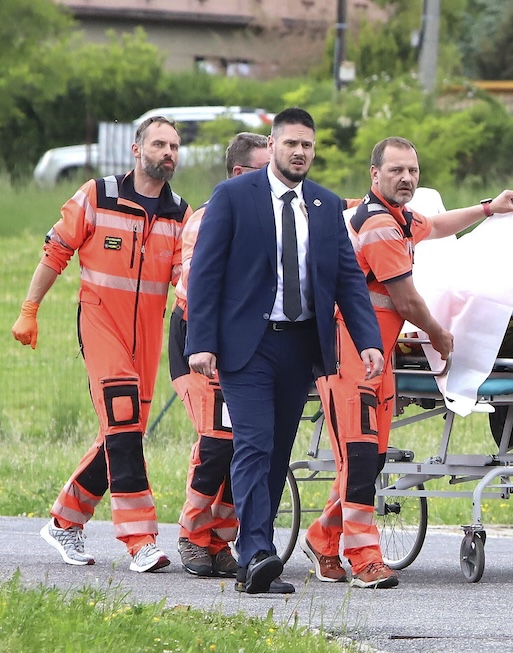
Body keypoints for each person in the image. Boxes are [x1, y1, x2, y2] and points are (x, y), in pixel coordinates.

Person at [299, 136, 513, 589]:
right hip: (349, 353)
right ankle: (363, 557)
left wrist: (487, 209)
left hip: (374, 355)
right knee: (361, 456)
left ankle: (323, 537)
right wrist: (441, 336)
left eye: (413, 171)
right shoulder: (380, 224)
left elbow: (437, 225)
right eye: (397, 170)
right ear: (375, 175)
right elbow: (405, 299)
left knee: (371, 457)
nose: (406, 178)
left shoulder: (400, 218)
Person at [184, 107, 385, 595]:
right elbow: (206, 273)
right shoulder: (233, 197)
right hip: (244, 348)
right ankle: (254, 554)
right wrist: (201, 343)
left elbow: (348, 281)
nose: (300, 152)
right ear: (272, 146)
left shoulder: (324, 204)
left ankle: (258, 553)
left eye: (307, 145)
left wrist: (370, 342)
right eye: (291, 143)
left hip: (299, 346)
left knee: (276, 453)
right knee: (252, 443)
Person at [12, 116, 191, 573]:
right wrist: (29, 309)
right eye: (159, 143)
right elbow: (56, 251)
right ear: (136, 149)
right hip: (100, 324)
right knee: (125, 424)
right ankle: (140, 541)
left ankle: (64, 521)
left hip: (146, 338)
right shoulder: (98, 194)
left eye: (174, 145)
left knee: (120, 433)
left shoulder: (179, 214)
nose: (168, 152)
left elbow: (187, 281)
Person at [169, 132, 270, 577]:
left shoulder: (278, 216)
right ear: (239, 174)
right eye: (268, 169)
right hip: (199, 337)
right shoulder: (209, 218)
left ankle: (218, 538)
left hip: (244, 343)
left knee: (242, 445)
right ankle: (192, 535)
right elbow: (198, 289)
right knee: (215, 444)